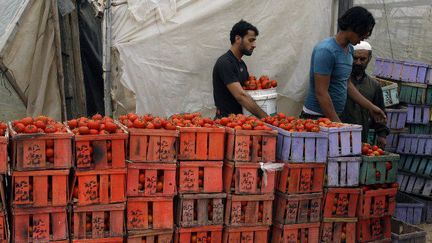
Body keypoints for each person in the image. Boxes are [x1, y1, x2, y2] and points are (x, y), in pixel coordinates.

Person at [302, 6, 386, 124]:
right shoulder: (326, 50)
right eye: (362, 35)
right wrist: (338, 125)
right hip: (316, 117)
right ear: (354, 27)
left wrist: (371, 106)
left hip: (332, 117)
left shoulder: (350, 49)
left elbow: (347, 84)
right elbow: (321, 93)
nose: (363, 40)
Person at [212, 20, 268, 119]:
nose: (254, 45)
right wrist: (266, 118)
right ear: (238, 39)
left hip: (240, 121)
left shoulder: (241, 64)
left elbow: (246, 91)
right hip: (226, 122)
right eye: (251, 40)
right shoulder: (225, 63)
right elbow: (241, 96)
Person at [340, 41, 389, 147]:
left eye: (362, 59)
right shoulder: (340, 80)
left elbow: (379, 112)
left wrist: (382, 135)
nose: (358, 62)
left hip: (361, 139)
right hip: (338, 134)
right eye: (355, 58)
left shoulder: (374, 86)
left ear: (369, 59)